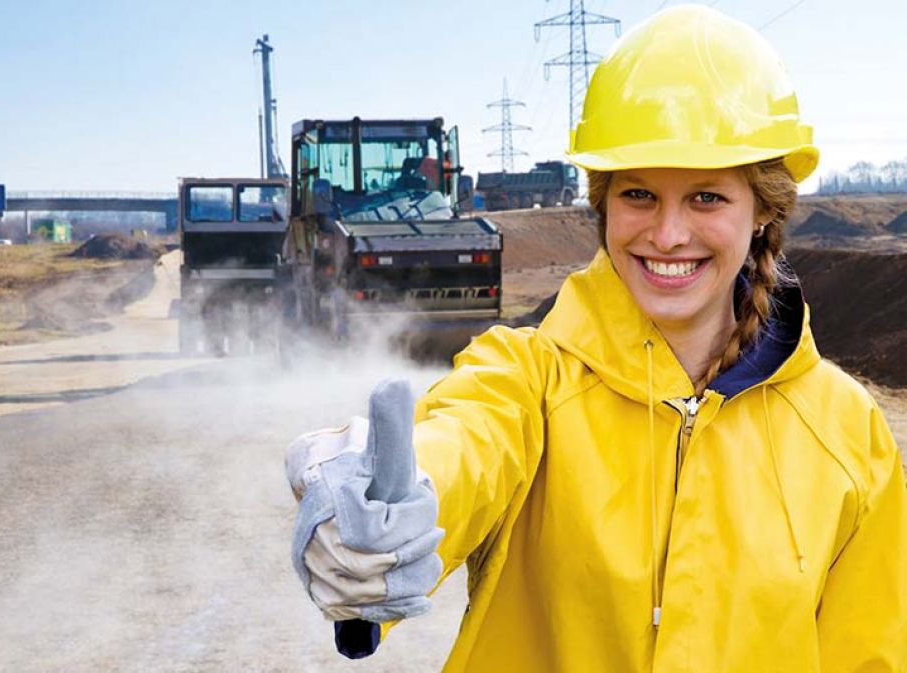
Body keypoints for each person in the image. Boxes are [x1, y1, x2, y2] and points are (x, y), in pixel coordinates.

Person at [286, 6, 907, 671]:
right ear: (604, 204)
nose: (667, 234)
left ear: (762, 212)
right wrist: (401, 501)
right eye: (639, 193)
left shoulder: (848, 435)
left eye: (706, 198)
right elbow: (466, 439)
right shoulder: (527, 376)